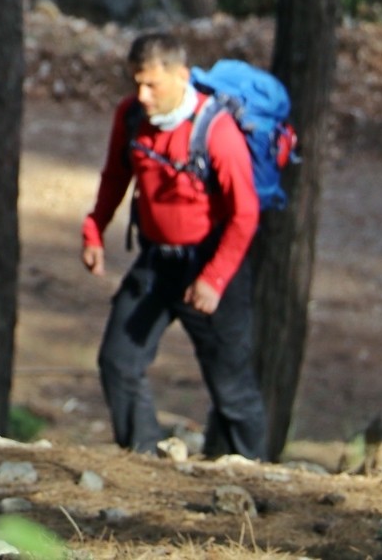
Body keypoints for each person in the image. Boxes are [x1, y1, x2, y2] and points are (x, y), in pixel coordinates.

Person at [80, 32, 266, 460]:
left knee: (233, 389)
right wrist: (95, 229)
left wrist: (215, 279)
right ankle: (145, 459)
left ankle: (254, 478)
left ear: (181, 76)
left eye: (153, 85)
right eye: (136, 83)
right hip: (155, 260)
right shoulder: (130, 117)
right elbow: (115, 177)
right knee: (118, 362)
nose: (142, 95)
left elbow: (246, 214)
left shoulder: (216, 131)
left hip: (210, 262)